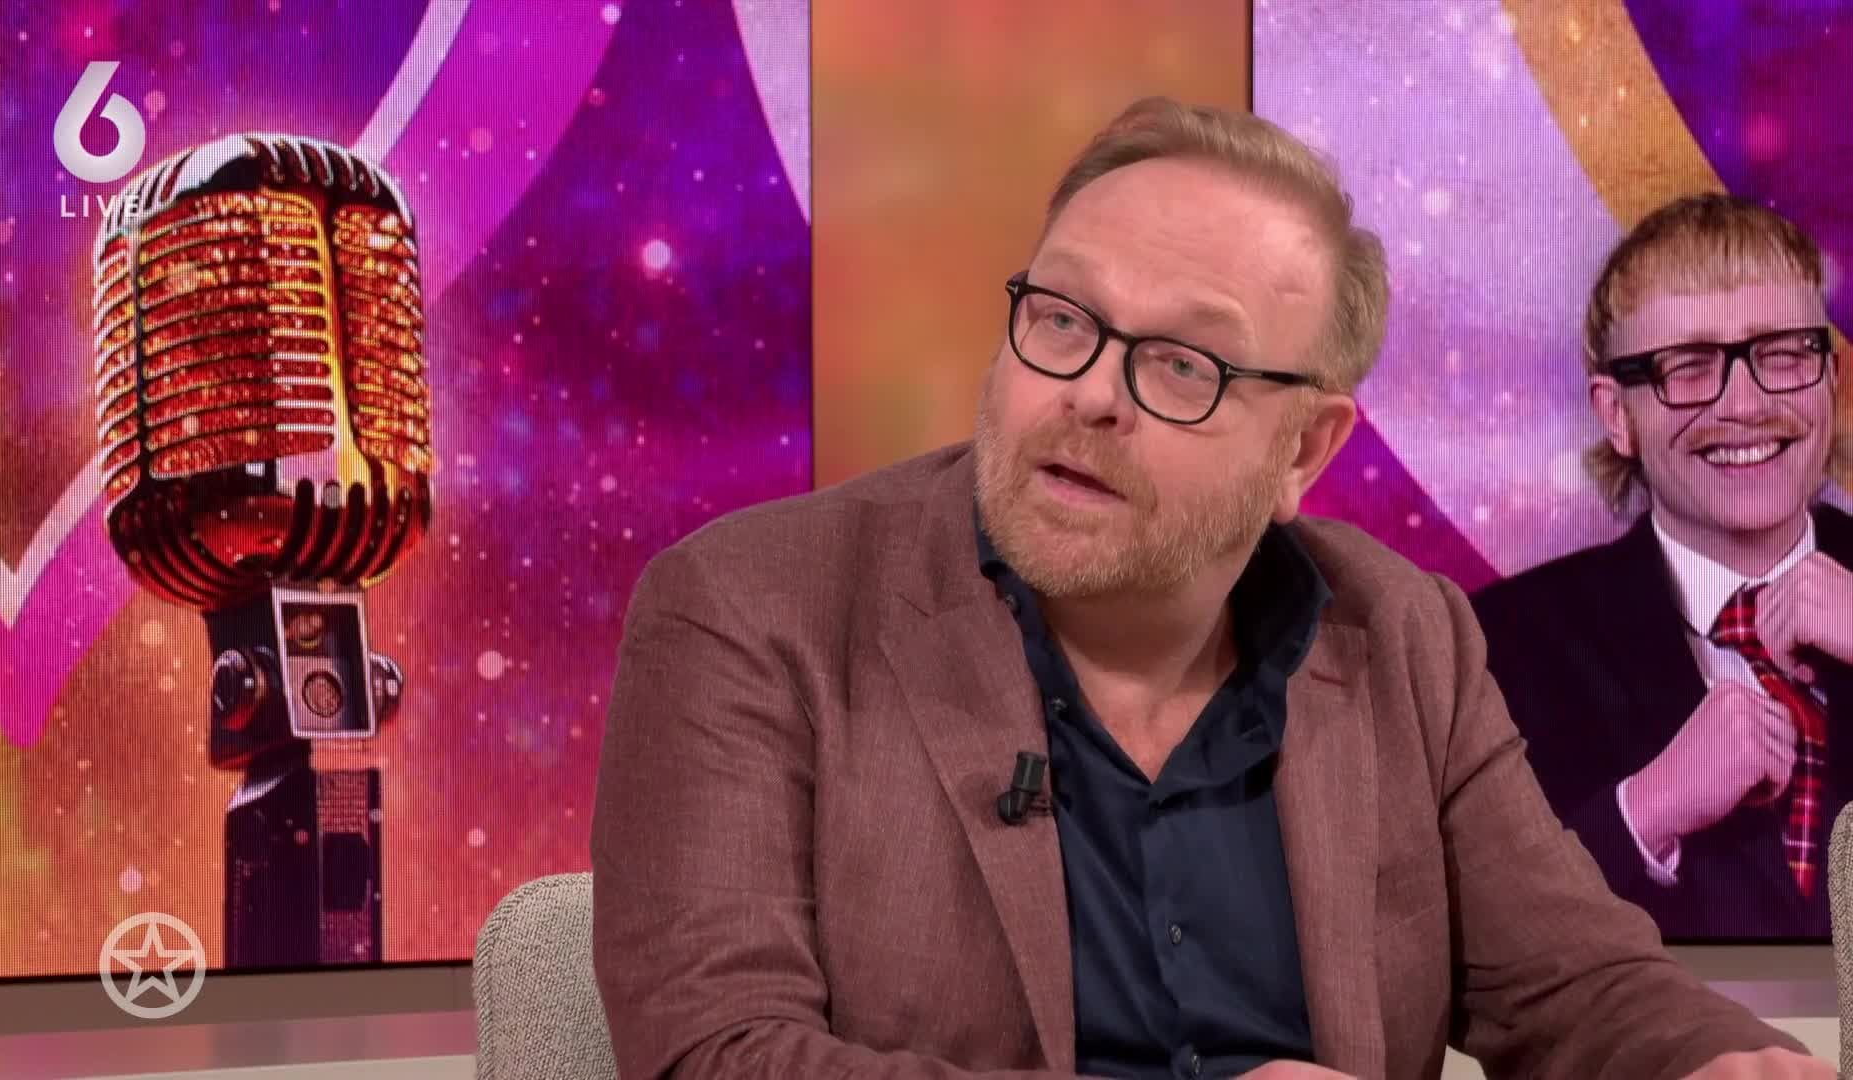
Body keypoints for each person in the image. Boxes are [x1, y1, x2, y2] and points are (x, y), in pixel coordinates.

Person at [590, 100, 1825, 1079]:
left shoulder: (1403, 635)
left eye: (1183, 363)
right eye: (1062, 319)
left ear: (1304, 452)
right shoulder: (753, 610)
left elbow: (1572, 982)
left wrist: (1725, 1060)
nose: (1090, 394)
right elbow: (716, 1055)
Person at [1471, 195, 1853, 940]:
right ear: (1617, 415)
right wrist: (1645, 811)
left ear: (1831, 379)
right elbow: (1462, 939)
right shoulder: (1499, 645)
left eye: (1783, 354)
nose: (1745, 404)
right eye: (1690, 367)